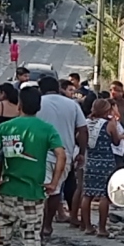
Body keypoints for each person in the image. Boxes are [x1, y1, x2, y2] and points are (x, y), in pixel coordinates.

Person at [0, 87, 65, 246]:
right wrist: (54, 182)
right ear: (38, 107)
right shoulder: (47, 129)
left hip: (7, 188)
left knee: (1, 231)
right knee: (31, 234)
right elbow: (61, 155)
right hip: (33, 191)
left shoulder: (6, 127)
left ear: (19, 105)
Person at [35, 76, 87, 237]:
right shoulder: (72, 105)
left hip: (39, 153)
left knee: (38, 190)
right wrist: (82, 153)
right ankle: (47, 224)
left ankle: (37, 223)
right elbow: (83, 130)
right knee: (55, 191)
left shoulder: (38, 103)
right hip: (65, 154)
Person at [80, 98, 122, 237]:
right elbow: (115, 142)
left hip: (90, 161)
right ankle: (102, 228)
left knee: (87, 194)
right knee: (105, 196)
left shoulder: (86, 123)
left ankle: (87, 226)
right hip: (105, 162)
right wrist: (122, 137)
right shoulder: (109, 124)